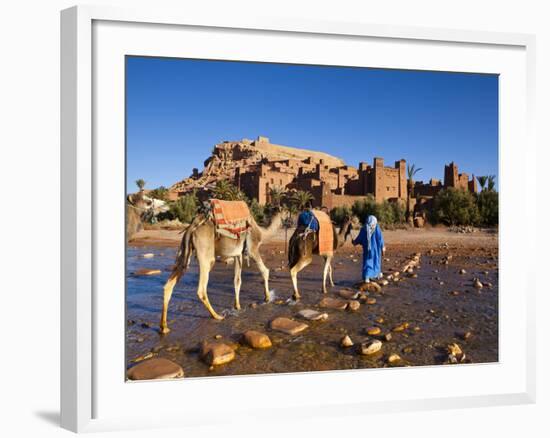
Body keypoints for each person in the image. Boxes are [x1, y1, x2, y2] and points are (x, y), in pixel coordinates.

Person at [352, 215, 386, 283]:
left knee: (368, 263)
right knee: (376, 261)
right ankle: (374, 274)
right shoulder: (376, 228)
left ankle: (367, 276)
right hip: (376, 250)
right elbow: (380, 239)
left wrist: (354, 242)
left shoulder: (364, 229)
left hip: (367, 251)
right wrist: (383, 247)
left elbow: (359, 238)